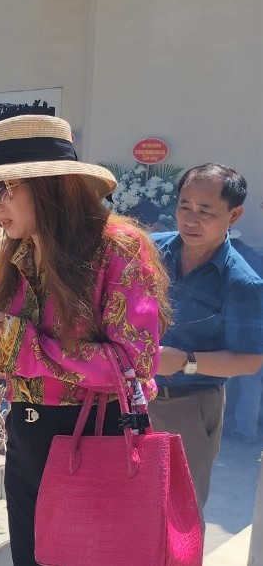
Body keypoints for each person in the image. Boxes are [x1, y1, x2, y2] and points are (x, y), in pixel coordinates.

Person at [0, 115, 171, 566]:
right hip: (26, 435)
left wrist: (26, 348)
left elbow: (134, 362)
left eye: (2, 189)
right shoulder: (19, 245)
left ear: (48, 186)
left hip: (94, 434)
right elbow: (6, 355)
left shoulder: (118, 247)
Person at [148, 164, 263, 524]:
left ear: (234, 214)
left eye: (206, 210)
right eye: (185, 206)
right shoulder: (151, 252)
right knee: (125, 505)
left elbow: (249, 361)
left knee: (177, 514)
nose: (191, 219)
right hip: (129, 398)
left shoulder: (243, 282)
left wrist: (186, 361)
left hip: (188, 406)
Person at [224, 230, 263, 443]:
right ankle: (246, 428)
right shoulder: (255, 256)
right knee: (252, 381)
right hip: (258, 326)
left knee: (237, 377)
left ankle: (241, 428)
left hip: (245, 327)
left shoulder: (233, 259)